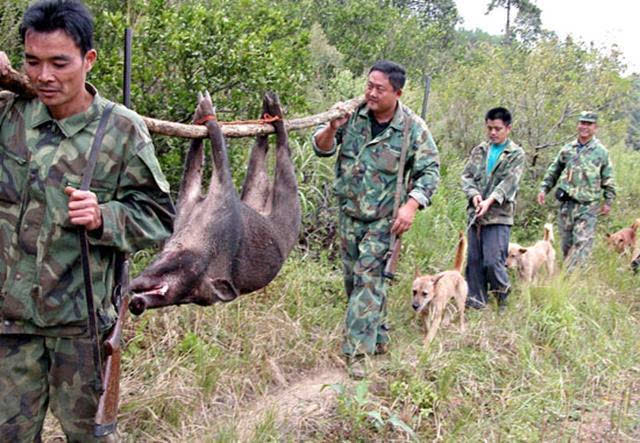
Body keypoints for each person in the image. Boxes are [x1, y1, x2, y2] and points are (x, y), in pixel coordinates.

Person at [0, 1, 174, 441]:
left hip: (81, 331)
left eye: (60, 63)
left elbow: (160, 216)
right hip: (9, 326)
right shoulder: (9, 115)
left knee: (90, 437)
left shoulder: (121, 131)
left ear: (88, 59)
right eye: (32, 62)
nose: (44, 76)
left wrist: (104, 217)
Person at [312, 60, 440, 372]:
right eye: (368, 85)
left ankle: (357, 354)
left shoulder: (412, 129)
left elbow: (430, 172)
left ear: (397, 92)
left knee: (368, 282)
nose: (371, 92)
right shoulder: (351, 116)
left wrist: (411, 206)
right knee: (353, 282)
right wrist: (331, 127)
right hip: (348, 215)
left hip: (384, 222)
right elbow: (321, 148)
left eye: (379, 89)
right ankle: (379, 335)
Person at [461, 107, 525, 312]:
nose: (493, 133)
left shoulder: (515, 154)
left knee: (493, 262)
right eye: (489, 128)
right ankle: (476, 302)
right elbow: (467, 176)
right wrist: (473, 195)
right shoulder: (480, 150)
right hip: (476, 214)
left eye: (498, 129)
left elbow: (509, 183)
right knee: (474, 261)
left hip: (499, 216)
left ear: (508, 128)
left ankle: (502, 297)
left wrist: (489, 201)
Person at [537, 111, 616, 270]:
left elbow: (608, 177)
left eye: (589, 124)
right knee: (567, 245)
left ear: (595, 127)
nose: (584, 127)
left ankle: (571, 279)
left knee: (582, 244)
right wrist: (544, 188)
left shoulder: (601, 152)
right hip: (567, 205)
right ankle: (569, 278)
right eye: (582, 123)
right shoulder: (568, 149)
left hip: (587, 206)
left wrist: (608, 200)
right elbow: (554, 170)